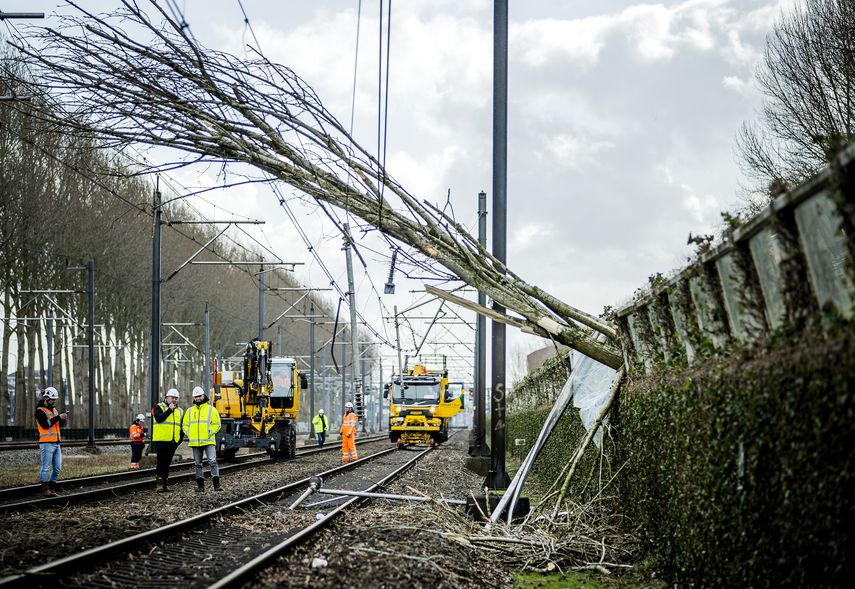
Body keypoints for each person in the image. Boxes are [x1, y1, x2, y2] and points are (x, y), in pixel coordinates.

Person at [182, 386, 222, 492]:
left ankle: (216, 485)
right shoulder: (189, 411)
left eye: (199, 396)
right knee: (198, 464)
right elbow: (184, 425)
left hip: (208, 441)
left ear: (203, 396)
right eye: (196, 396)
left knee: (213, 462)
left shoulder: (211, 410)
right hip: (195, 442)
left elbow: (217, 424)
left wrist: (210, 431)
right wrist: (189, 433)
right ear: (193, 398)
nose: (198, 398)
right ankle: (200, 487)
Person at [34, 387, 67, 496]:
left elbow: (57, 425)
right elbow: (46, 424)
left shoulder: (54, 410)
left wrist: (63, 419)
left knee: (57, 468)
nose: (54, 401)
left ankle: (51, 488)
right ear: (46, 398)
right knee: (45, 467)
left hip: (56, 443)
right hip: (46, 443)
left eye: (54, 399)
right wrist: (58, 417)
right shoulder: (39, 411)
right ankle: (45, 490)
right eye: (52, 399)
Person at [152, 388, 183, 493]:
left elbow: (181, 426)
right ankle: (159, 484)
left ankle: (165, 485)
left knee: (167, 463)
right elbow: (159, 418)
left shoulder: (179, 410)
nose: (174, 400)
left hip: (173, 441)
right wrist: (169, 410)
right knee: (161, 461)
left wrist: (180, 439)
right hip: (161, 440)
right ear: (166, 398)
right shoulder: (158, 407)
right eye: (172, 397)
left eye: (176, 398)